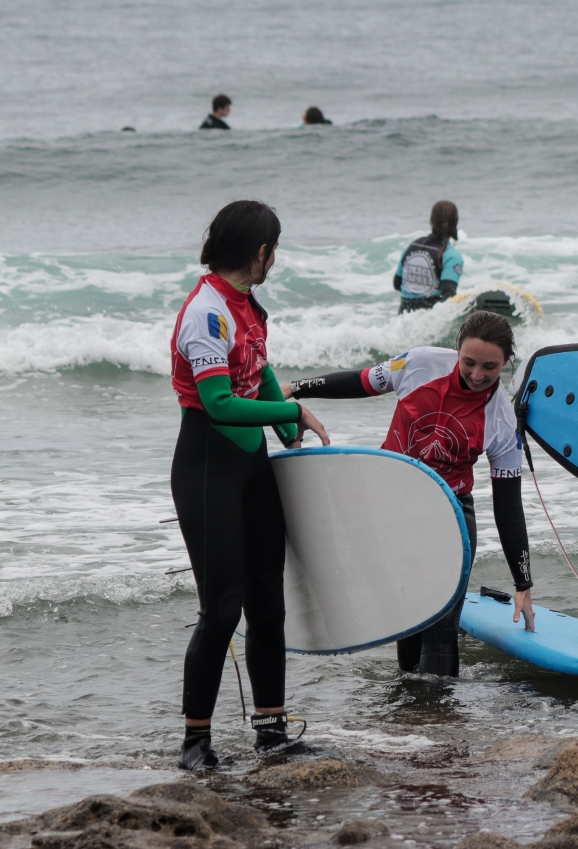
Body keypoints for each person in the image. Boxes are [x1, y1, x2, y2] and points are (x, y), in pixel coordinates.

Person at [283, 311, 536, 676]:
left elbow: (508, 508)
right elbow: (360, 382)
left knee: (442, 626)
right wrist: (295, 388)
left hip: (451, 515)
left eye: (490, 367)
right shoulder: (419, 364)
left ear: (506, 363)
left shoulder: (502, 420)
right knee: (409, 617)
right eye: (469, 362)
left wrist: (523, 583)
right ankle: (412, 708)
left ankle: (438, 708)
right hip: (392, 506)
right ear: (457, 350)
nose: (477, 375)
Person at [169, 199, 331, 769]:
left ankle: (271, 732)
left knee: (267, 603)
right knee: (222, 609)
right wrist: (291, 410)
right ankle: (195, 742)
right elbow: (217, 403)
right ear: (261, 251)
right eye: (274, 250)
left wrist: (285, 425)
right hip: (208, 468)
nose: (274, 260)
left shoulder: (246, 304)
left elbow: (258, 370)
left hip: (252, 466)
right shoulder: (206, 312)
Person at [394, 201, 464, 312]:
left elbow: (397, 284)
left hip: (403, 315)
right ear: (456, 222)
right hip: (430, 318)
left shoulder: (412, 246)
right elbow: (448, 295)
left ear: (431, 221)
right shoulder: (452, 256)